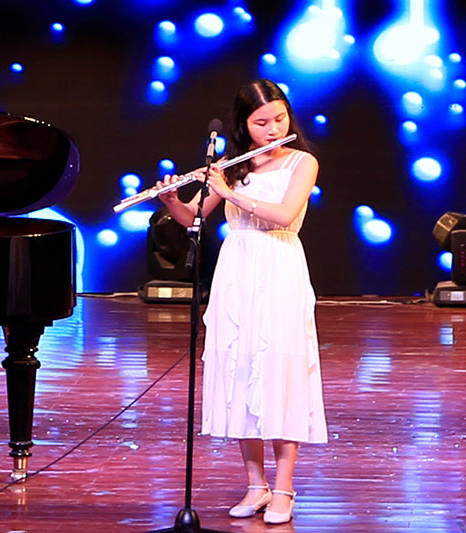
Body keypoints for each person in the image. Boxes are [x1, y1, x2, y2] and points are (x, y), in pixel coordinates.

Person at [152, 79, 327, 525]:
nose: (273, 129)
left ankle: (285, 488)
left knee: (280, 372)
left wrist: (229, 192)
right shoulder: (232, 164)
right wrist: (172, 199)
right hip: (237, 270)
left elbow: (284, 214)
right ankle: (256, 485)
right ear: (244, 124)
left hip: (280, 265)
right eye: (261, 122)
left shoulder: (302, 162)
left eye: (279, 119)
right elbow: (193, 218)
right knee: (239, 368)